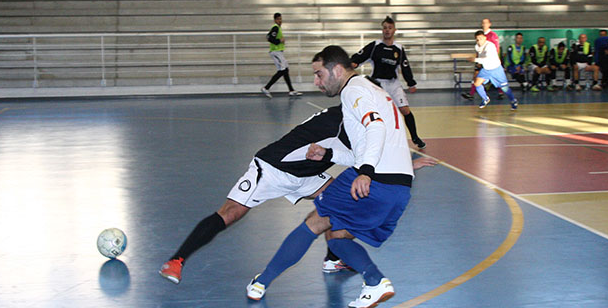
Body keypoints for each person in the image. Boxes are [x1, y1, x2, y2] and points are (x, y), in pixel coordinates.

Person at [158, 104, 437, 283]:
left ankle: (333, 259)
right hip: (272, 168)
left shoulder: (354, 121)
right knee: (230, 214)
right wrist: (404, 165)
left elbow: (364, 158)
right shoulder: (342, 121)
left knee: (340, 206)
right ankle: (177, 260)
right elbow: (360, 157)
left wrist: (406, 166)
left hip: (307, 175)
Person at [246, 45, 418, 308]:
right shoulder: (376, 91)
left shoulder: (353, 90)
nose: (317, 82)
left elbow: (375, 127)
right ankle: (374, 281)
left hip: (375, 180)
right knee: (337, 236)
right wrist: (329, 153)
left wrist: (365, 172)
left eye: (319, 74)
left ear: (337, 70)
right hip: (399, 188)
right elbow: (365, 149)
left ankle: (261, 282)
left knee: (313, 223)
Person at [351, 16, 426, 149]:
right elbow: (359, 56)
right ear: (382, 30)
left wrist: (411, 83)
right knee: (376, 112)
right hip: (377, 84)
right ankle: (369, 139)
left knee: (405, 110)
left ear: (394, 30)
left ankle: (415, 137)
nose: (387, 30)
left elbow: (405, 66)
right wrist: (353, 63)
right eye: (385, 28)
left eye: (390, 28)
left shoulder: (399, 48)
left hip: (393, 84)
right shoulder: (375, 46)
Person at [468, 30, 519, 110]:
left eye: (481, 38)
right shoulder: (477, 46)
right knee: (477, 83)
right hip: (486, 69)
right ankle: (485, 99)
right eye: (477, 39)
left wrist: (475, 60)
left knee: (504, 88)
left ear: (485, 38)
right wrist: (478, 63)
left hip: (496, 69)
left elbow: (487, 59)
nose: (479, 41)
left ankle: (513, 100)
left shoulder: (490, 46)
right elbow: (481, 57)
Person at [261, 12, 301, 97]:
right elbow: (270, 38)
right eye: (278, 19)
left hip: (278, 52)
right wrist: (280, 41)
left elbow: (268, 36)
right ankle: (266, 88)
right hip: (276, 52)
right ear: (275, 20)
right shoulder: (275, 27)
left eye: (281, 19)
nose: (280, 21)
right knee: (283, 70)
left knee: (285, 70)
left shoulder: (277, 28)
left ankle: (291, 90)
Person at [462, 18, 504, 100]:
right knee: (476, 75)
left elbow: (496, 49)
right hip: (481, 60)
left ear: (489, 24)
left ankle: (501, 92)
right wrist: (477, 59)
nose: (484, 25)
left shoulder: (493, 35)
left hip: (490, 61)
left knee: (495, 76)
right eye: (483, 23)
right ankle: (471, 93)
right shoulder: (480, 35)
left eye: (486, 23)